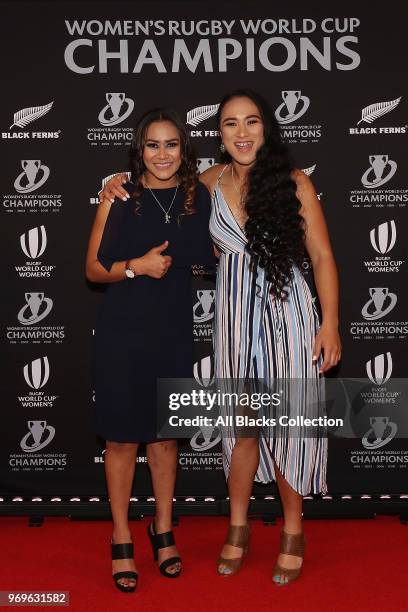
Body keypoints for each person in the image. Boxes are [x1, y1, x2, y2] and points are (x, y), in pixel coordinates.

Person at [99, 89, 341, 586]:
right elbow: (154, 186)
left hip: (289, 312)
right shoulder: (205, 183)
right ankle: (238, 526)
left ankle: (293, 529)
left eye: (251, 122)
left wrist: (330, 324)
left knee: (288, 422)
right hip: (233, 317)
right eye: (231, 124)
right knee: (243, 425)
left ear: (265, 129)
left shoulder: (295, 183)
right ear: (220, 134)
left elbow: (321, 257)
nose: (242, 133)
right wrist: (113, 184)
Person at [85, 107, 215, 593]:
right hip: (122, 333)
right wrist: (136, 266)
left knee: (164, 440)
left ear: (185, 149)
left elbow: (216, 246)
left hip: (174, 332)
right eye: (153, 144)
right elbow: (94, 270)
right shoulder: (119, 195)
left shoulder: (196, 196)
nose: (163, 154)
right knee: (121, 440)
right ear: (139, 149)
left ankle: (163, 528)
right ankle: (121, 535)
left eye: (172, 144)